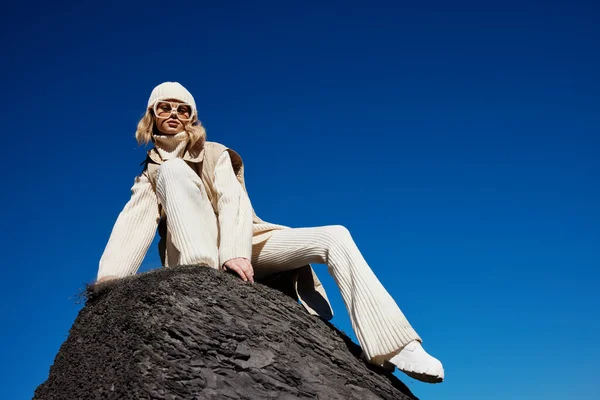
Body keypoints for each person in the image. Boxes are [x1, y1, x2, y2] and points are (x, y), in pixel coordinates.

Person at [96, 81, 445, 383]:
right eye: (164, 107)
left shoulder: (214, 152)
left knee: (334, 235)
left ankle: (396, 346)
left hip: (246, 245)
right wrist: (108, 283)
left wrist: (234, 251)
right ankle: (200, 273)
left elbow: (234, 200)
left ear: (193, 117)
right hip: (196, 257)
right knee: (172, 171)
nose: (174, 114)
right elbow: (133, 224)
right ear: (151, 115)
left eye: (183, 109)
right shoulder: (152, 173)